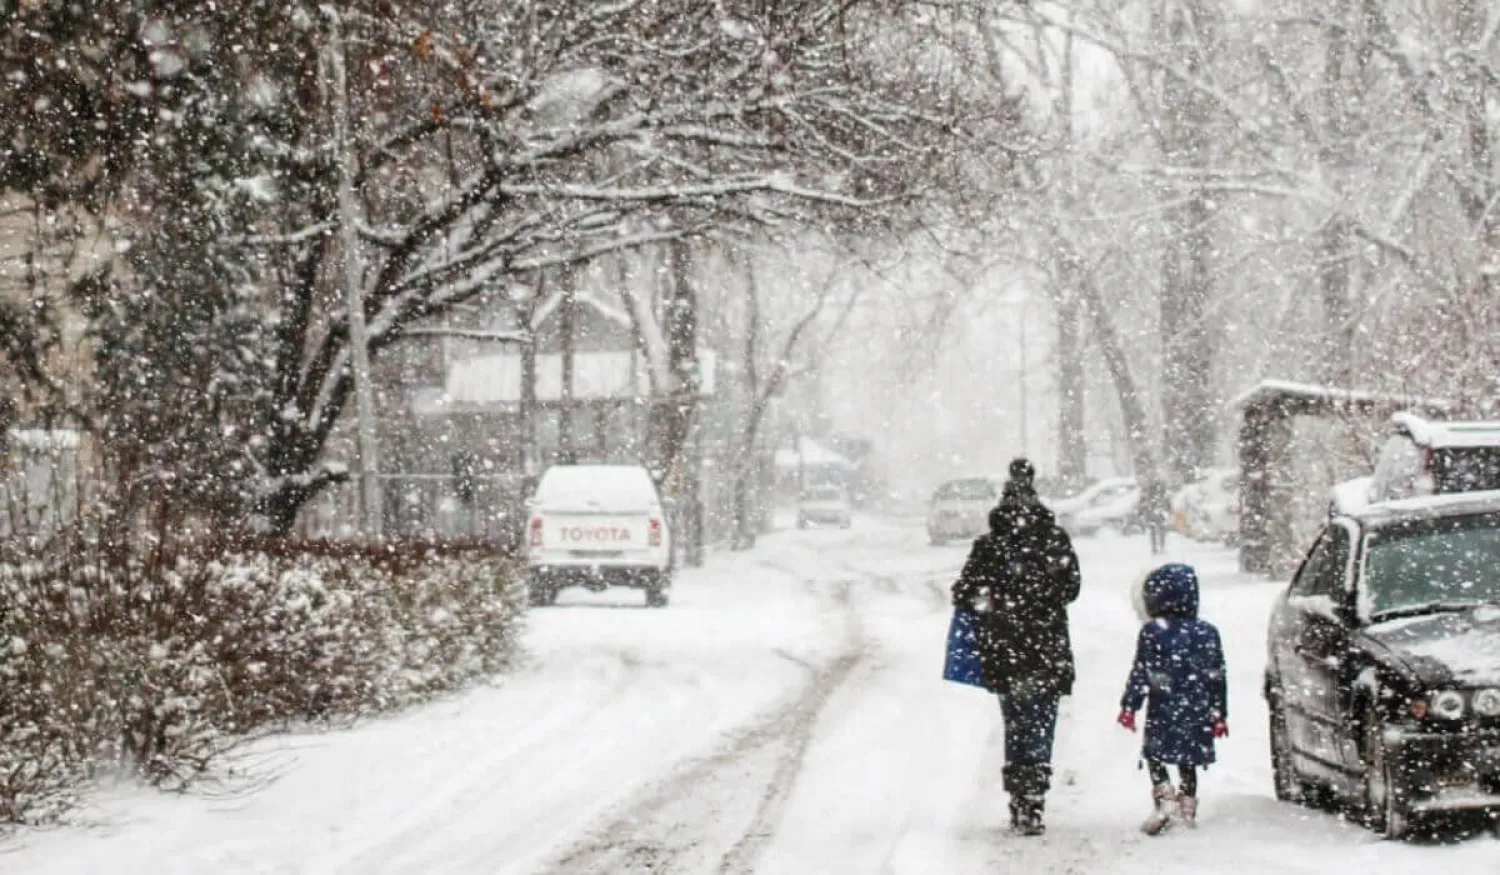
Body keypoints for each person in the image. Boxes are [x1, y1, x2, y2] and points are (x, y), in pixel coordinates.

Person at [952, 458, 1081, 836]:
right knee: (1040, 721)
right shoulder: (1054, 540)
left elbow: (964, 592)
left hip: (1004, 647)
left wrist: (994, 601)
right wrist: (1041, 598)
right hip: (1047, 646)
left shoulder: (990, 545)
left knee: (1016, 722)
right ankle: (1034, 796)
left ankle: (1019, 795)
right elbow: (1071, 588)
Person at [1116, 563, 1228, 835]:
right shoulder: (1208, 632)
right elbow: (1217, 676)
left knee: (1156, 753)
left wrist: (1129, 706)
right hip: (1198, 707)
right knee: (1188, 759)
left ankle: (1164, 794)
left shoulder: (1152, 632)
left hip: (1163, 705)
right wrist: (1219, 713)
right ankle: (1187, 805)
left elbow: (1141, 672)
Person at [1141, 477, 1169, 555]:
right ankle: (1160, 547)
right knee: (1160, 531)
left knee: (1155, 532)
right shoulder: (1161, 492)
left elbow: (1146, 504)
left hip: (1154, 514)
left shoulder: (1151, 491)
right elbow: (1166, 502)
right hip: (1158, 514)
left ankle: (1155, 548)